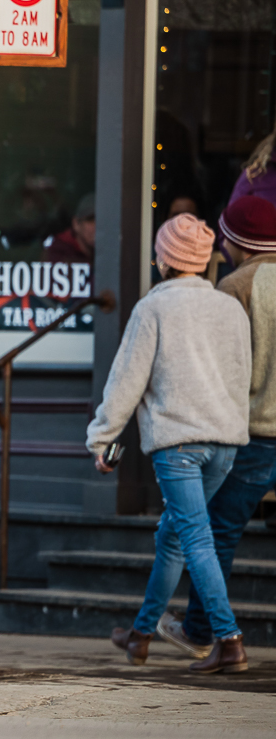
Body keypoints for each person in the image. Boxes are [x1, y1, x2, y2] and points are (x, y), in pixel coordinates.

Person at [89, 214, 252, 673]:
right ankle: (141, 635)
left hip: (178, 444)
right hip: (225, 443)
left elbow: (126, 383)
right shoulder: (229, 307)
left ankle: (229, 639)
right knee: (174, 537)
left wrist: (101, 439)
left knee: (193, 538)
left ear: (163, 259)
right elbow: (242, 376)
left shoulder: (153, 308)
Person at [158, 197, 276, 665]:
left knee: (218, 533)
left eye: (225, 236)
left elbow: (220, 368)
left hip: (256, 433)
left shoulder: (235, 286)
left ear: (239, 243)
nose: (221, 245)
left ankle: (201, 631)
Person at [43, 193, 96, 264]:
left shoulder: (111, 253)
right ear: (76, 224)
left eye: (102, 220)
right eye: (90, 220)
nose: (96, 226)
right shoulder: (58, 253)